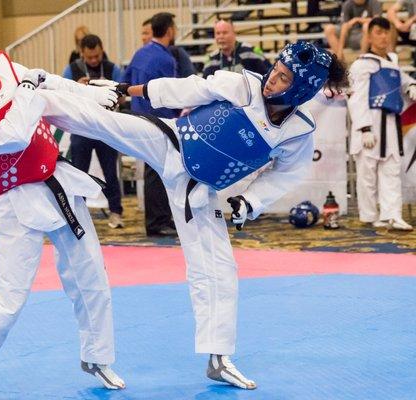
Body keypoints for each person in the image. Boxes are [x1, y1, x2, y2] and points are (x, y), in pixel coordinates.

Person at [36, 41, 348, 389]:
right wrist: (125, 88)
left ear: (302, 90)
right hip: (171, 141)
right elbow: (186, 88)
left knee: (219, 269)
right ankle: (37, 92)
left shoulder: (298, 132)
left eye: (283, 77)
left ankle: (218, 358)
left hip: (199, 189)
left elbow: (286, 174)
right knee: (103, 122)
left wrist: (249, 201)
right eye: (275, 68)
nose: (272, 78)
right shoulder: (242, 85)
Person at [0, 19, 125, 400]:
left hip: (59, 183)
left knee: (92, 279)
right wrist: (31, 90)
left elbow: (45, 80)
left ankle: (97, 357)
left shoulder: (4, 67)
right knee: (10, 300)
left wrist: (90, 96)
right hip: (16, 203)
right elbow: (13, 134)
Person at [348, 17, 415, 230]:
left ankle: (392, 215)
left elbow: (404, 80)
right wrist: (364, 128)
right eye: (378, 32)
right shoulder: (362, 64)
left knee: (392, 170)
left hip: (391, 122)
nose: (384, 36)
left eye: (387, 32)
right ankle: (369, 216)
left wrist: (412, 85)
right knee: (367, 173)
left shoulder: (392, 62)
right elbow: (357, 98)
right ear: (369, 36)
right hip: (370, 122)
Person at [125, 12, 178, 236]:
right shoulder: (166, 59)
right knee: (159, 172)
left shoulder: (140, 54)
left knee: (154, 170)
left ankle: (160, 218)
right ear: (169, 30)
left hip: (140, 118)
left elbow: (126, 81)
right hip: (159, 119)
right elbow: (172, 93)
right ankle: (157, 222)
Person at [63, 34, 125, 228]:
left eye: (97, 56)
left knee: (110, 172)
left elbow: (123, 96)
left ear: (101, 50)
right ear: (82, 53)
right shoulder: (71, 70)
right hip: (81, 128)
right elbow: (61, 96)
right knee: (79, 172)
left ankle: (116, 211)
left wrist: (110, 88)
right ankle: (77, 212)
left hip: (105, 127)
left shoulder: (112, 68)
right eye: (89, 57)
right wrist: (76, 88)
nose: (94, 60)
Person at [202, 20, 271, 78]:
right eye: (218, 33)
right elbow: (205, 85)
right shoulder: (211, 60)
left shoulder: (250, 53)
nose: (221, 36)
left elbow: (268, 75)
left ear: (234, 33)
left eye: (224, 32)